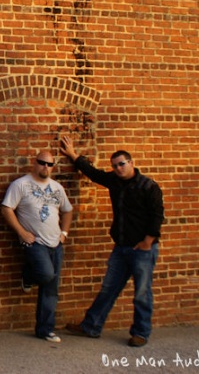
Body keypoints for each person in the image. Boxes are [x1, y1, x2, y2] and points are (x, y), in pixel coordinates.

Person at [58, 135, 164, 347]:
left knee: (142, 293)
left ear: (131, 163)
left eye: (122, 164)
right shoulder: (115, 182)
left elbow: (157, 216)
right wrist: (73, 155)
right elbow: (94, 174)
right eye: (115, 166)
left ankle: (140, 333)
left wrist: (147, 242)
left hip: (143, 249)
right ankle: (91, 326)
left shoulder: (148, 186)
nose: (118, 168)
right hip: (121, 248)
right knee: (108, 288)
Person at [1, 151, 73, 343]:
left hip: (55, 243)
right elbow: (6, 208)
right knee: (46, 274)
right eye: (42, 163)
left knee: (51, 289)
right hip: (34, 243)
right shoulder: (21, 184)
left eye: (50, 164)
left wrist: (64, 234)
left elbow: (68, 211)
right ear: (35, 163)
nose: (45, 167)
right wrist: (21, 232)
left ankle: (45, 329)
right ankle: (28, 274)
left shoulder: (57, 188)